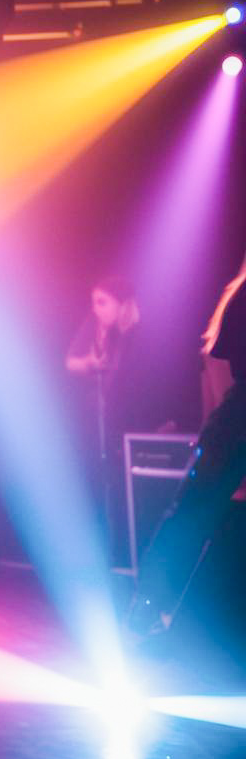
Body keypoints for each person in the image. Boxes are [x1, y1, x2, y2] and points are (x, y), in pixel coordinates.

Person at [125, 251, 246, 636]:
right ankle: (149, 608)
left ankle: (150, 608)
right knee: (190, 516)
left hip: (231, 422)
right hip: (235, 422)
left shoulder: (237, 296)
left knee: (190, 515)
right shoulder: (240, 298)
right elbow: (221, 378)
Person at [64, 275, 171, 568]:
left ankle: (135, 560)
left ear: (123, 304)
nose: (96, 310)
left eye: (102, 303)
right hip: (110, 431)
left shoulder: (143, 337)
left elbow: (150, 389)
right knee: (107, 492)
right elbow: (74, 362)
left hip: (138, 431)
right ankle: (111, 556)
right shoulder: (107, 334)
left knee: (135, 501)